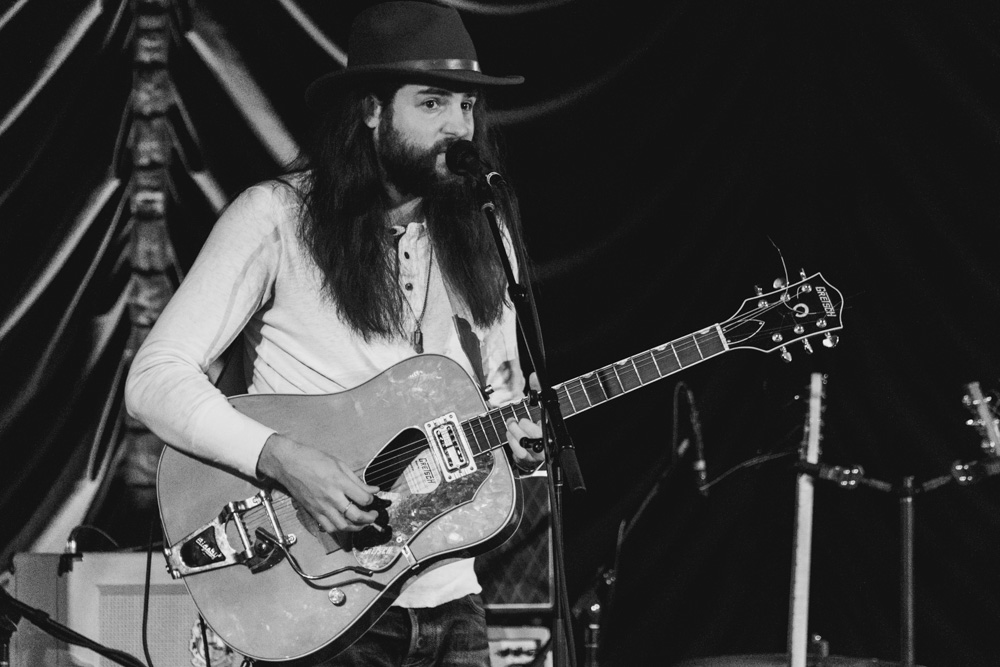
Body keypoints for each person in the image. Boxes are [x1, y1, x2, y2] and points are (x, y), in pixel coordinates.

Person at [124, 2, 545, 665]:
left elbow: (497, 401)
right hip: (317, 602)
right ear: (372, 109)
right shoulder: (277, 219)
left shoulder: (484, 241)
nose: (459, 129)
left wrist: (520, 436)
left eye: (466, 107)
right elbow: (153, 379)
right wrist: (282, 457)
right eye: (433, 104)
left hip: (452, 600)